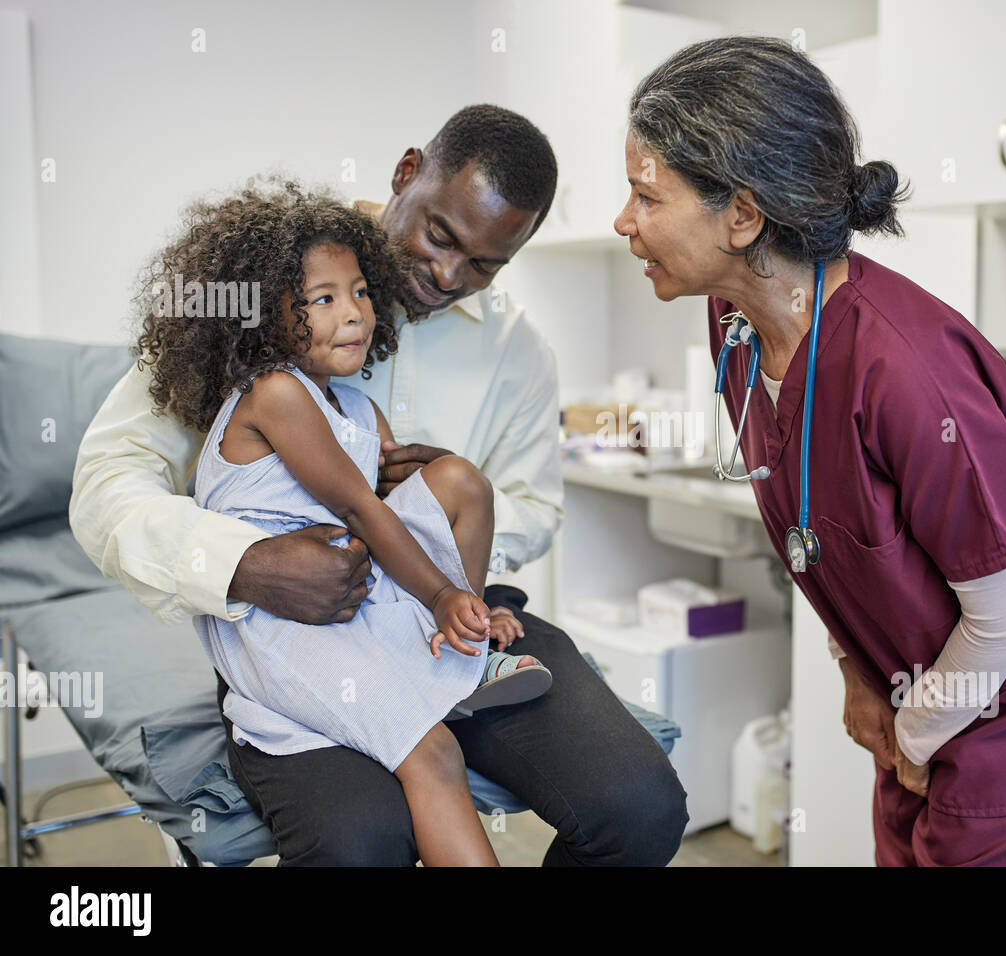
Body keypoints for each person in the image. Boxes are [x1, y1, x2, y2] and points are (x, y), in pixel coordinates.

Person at [71, 105, 688, 866]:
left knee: (642, 807)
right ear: (406, 174)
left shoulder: (516, 353)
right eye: (440, 236)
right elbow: (106, 484)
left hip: (451, 611)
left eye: (485, 265)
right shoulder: (265, 295)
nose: (448, 276)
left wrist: (433, 510)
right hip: (302, 624)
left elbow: (535, 509)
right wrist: (246, 564)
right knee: (359, 840)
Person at [614, 38, 1006, 866]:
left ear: (742, 214)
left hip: (1001, 714)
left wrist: (918, 726)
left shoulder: (906, 371)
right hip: (906, 693)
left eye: (646, 196)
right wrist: (857, 670)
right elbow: (829, 531)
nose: (625, 222)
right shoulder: (737, 328)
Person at [132, 183, 555, 866]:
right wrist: (439, 595)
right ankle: (451, 635)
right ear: (270, 316)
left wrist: (458, 589)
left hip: (352, 597)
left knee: (460, 480)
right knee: (433, 752)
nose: (354, 314)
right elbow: (364, 509)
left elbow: (403, 503)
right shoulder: (276, 394)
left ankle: (464, 646)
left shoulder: (355, 408)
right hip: (282, 626)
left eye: (360, 292)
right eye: (323, 300)